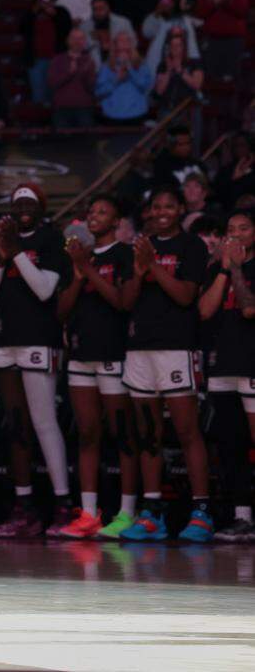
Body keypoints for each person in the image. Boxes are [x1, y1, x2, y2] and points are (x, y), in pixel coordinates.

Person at [118, 186, 212, 542]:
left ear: (180, 209)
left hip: (176, 348)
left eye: (169, 206)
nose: (161, 212)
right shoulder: (136, 250)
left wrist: (152, 265)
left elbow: (185, 296)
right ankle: (151, 512)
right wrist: (140, 270)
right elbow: (126, 301)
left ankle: (201, 511)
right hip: (139, 347)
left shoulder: (192, 246)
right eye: (155, 206)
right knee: (147, 434)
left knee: (188, 431)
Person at [0, 184, 73, 538]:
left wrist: (15, 252)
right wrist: (2, 256)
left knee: (44, 422)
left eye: (30, 203)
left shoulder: (51, 240)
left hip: (39, 340)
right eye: (17, 202)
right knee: (15, 425)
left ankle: (63, 505)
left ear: (41, 208)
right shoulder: (2, 242)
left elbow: (45, 290)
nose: (23, 208)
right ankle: (24, 507)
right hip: (6, 343)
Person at [56, 195, 139, 539]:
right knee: (88, 434)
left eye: (103, 212)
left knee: (122, 436)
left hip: (113, 353)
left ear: (117, 220)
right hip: (80, 354)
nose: (94, 217)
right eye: (91, 212)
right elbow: (61, 312)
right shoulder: (78, 257)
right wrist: (78, 275)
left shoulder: (123, 254)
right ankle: (89, 514)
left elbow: (122, 302)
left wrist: (87, 269)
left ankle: (127, 513)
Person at [200, 210, 255, 542]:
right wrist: (223, 267)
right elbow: (205, 311)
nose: (236, 235)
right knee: (231, 445)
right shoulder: (216, 269)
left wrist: (235, 267)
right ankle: (242, 517)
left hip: (252, 364)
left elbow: (249, 308)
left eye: (244, 229)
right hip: (223, 366)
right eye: (231, 230)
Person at [94, 32, 153, 125]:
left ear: (131, 43)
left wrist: (130, 68)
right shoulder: (106, 67)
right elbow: (99, 92)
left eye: (127, 40)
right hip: (112, 116)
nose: (124, 43)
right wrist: (116, 79)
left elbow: (145, 87)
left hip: (137, 115)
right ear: (115, 44)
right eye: (120, 40)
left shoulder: (141, 65)